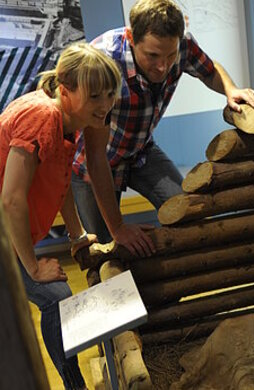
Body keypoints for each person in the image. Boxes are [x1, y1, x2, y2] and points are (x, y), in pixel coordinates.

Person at [71, 0, 254, 250]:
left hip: (140, 151)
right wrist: (118, 227)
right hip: (94, 163)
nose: (163, 66)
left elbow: (209, 70)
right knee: (103, 246)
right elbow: (96, 156)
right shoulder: (105, 62)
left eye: (171, 55)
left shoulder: (182, 43)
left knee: (188, 210)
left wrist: (231, 90)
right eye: (152, 56)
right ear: (132, 37)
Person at [0, 42, 125, 390]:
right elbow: (11, 199)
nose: (105, 105)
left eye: (110, 94)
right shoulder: (42, 117)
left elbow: (59, 177)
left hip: (11, 236)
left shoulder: (68, 121)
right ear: (65, 88)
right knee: (54, 297)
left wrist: (77, 234)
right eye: (96, 96)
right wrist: (34, 267)